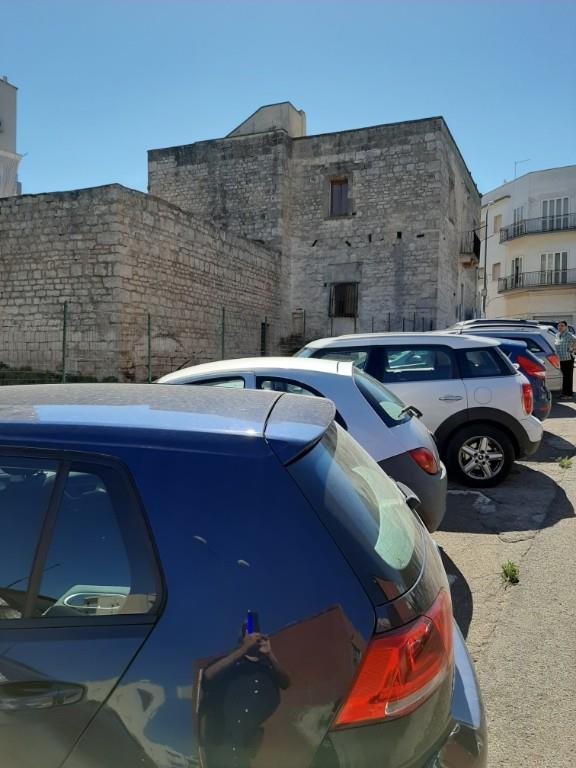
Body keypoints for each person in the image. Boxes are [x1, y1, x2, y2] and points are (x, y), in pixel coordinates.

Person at [199, 628, 290, 768]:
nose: (256, 639)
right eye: (251, 635)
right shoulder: (231, 662)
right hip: (222, 739)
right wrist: (243, 650)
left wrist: (270, 654)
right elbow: (208, 675)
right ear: (242, 639)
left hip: (245, 742)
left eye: (258, 636)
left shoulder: (266, 667)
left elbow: (286, 682)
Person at [554, 321, 576, 399]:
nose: (560, 327)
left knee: (568, 377)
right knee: (564, 376)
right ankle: (564, 393)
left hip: (568, 358)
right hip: (561, 358)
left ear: (566, 327)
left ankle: (568, 395)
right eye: (559, 326)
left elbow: (575, 341)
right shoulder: (557, 335)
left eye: (562, 326)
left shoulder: (569, 335)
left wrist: (571, 349)